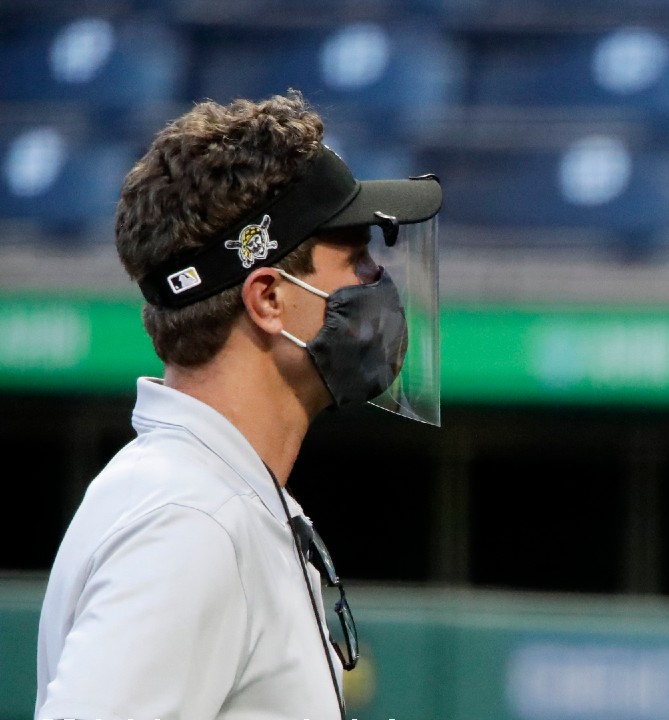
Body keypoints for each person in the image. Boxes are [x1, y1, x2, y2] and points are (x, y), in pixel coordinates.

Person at [35, 91, 442, 719]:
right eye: (356, 258)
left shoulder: (209, 493)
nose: (375, 282)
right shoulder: (191, 519)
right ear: (268, 300)